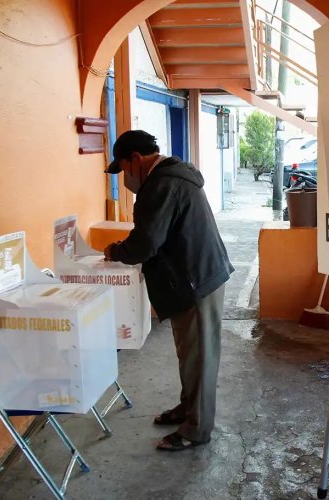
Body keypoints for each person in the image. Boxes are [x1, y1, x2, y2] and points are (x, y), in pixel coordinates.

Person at [103, 130, 234, 451]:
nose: (125, 179)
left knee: (200, 358)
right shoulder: (172, 177)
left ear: (136, 159)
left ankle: (197, 429)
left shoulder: (161, 185)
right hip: (193, 278)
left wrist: (116, 251)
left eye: (123, 169)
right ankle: (189, 409)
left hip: (196, 281)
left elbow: (146, 242)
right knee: (190, 354)